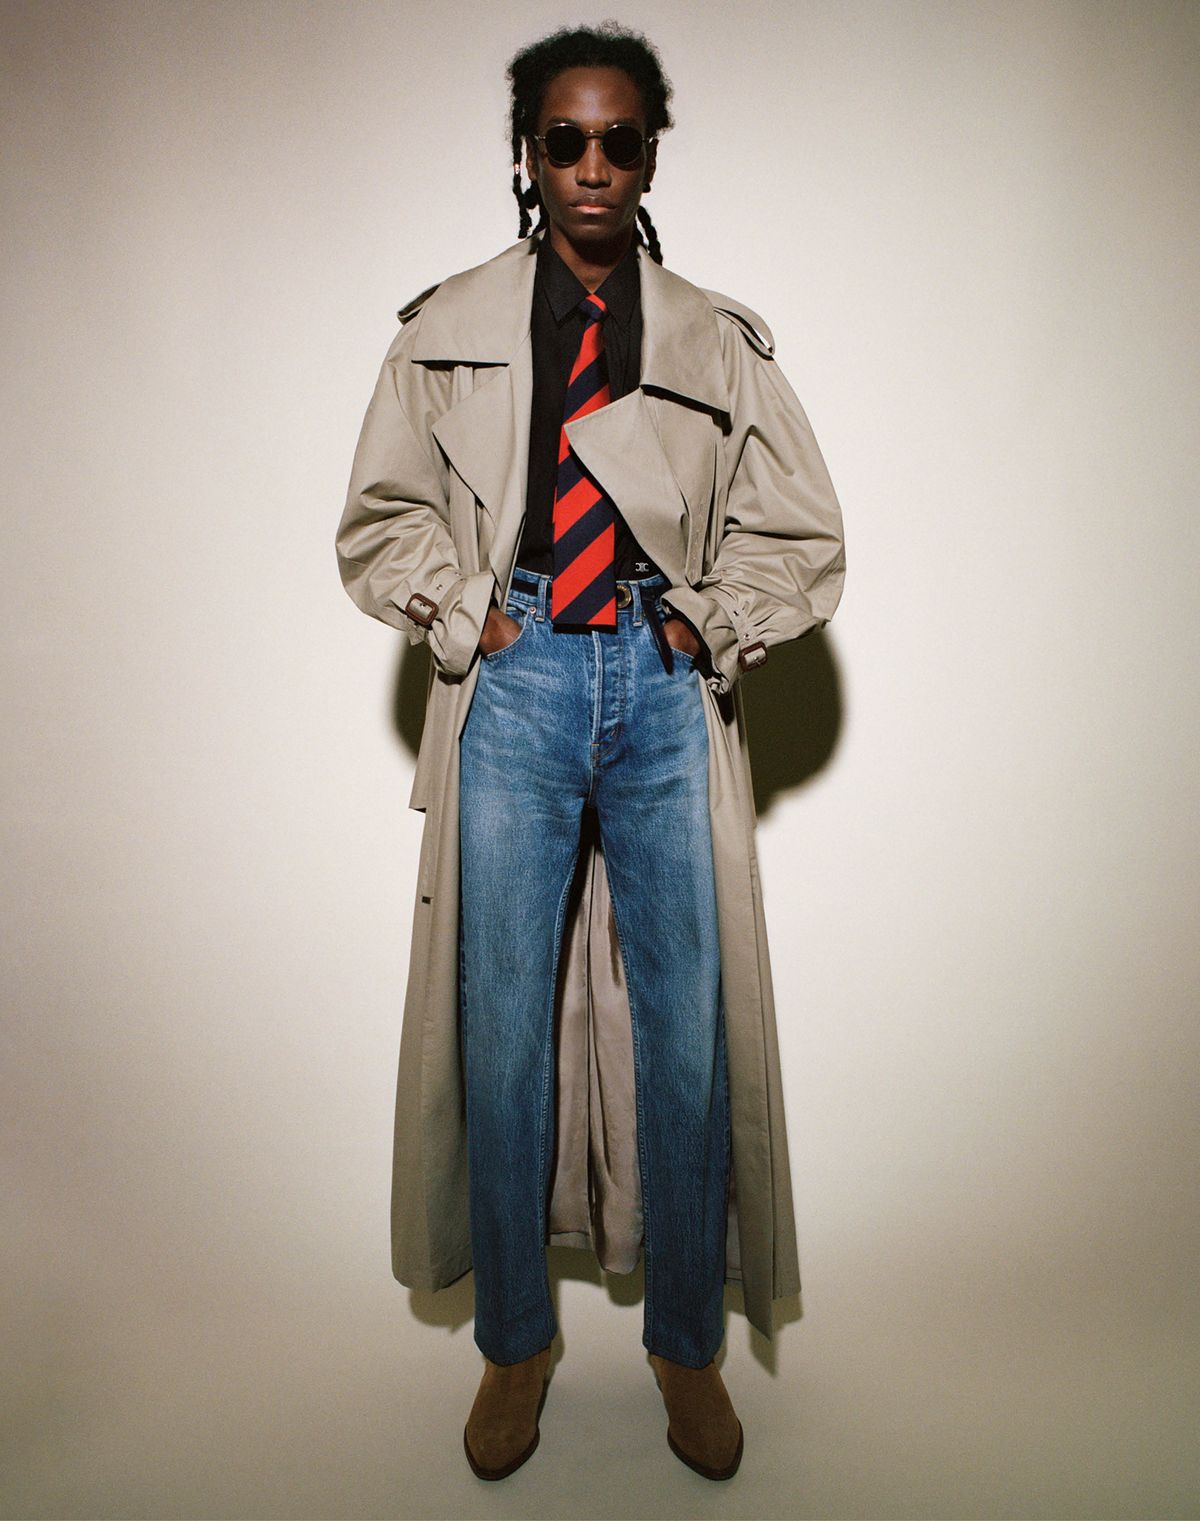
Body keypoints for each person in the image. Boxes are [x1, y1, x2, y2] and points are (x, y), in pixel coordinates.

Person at [336, 22, 845, 1483]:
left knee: (686, 1030)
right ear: (528, 154)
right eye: (566, 140)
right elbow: (379, 519)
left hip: (664, 682)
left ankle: (686, 1346)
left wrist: (711, 622)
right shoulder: (444, 328)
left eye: (621, 140)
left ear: (651, 156)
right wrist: (466, 618)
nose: (594, 167)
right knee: (501, 1029)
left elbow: (801, 529)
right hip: (519, 681)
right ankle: (515, 1344)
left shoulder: (715, 339)